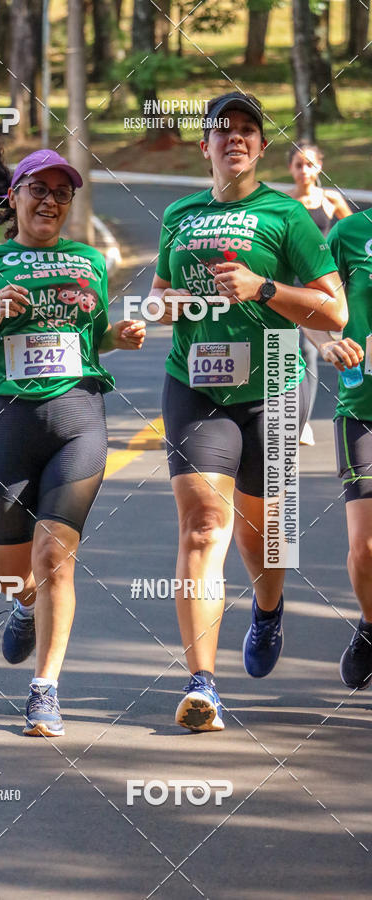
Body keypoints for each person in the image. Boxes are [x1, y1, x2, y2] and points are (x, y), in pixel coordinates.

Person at [148, 92, 347, 732]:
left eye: (247, 130)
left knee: (264, 532)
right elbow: (157, 297)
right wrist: (164, 306)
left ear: (261, 147)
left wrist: (263, 288)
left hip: (275, 384)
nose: (234, 137)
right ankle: (202, 684)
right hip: (196, 384)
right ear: (203, 144)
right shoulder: (179, 214)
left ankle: (267, 609)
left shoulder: (285, 215)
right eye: (222, 129)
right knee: (203, 527)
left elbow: (334, 310)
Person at [0, 135, 145, 737]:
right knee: (11, 571)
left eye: (62, 193)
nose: (51, 201)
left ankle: (45, 689)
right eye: (40, 190)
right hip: (11, 424)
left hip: (79, 420)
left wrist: (117, 337)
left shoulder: (89, 262)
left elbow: (92, 336)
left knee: (55, 556)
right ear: (15, 197)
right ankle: (23, 604)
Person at [302, 210, 372, 690]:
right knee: (364, 548)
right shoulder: (351, 233)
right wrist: (327, 344)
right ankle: (370, 625)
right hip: (363, 408)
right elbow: (309, 306)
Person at [287, 144, 352, 446]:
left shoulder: (331, 199)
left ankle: (311, 420)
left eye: (309, 164)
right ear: (290, 168)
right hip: (292, 285)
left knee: (323, 348)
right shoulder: (284, 202)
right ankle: (297, 419)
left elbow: (353, 233)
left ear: (319, 167)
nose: (304, 171)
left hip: (323, 287)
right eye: (299, 165)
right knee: (299, 348)